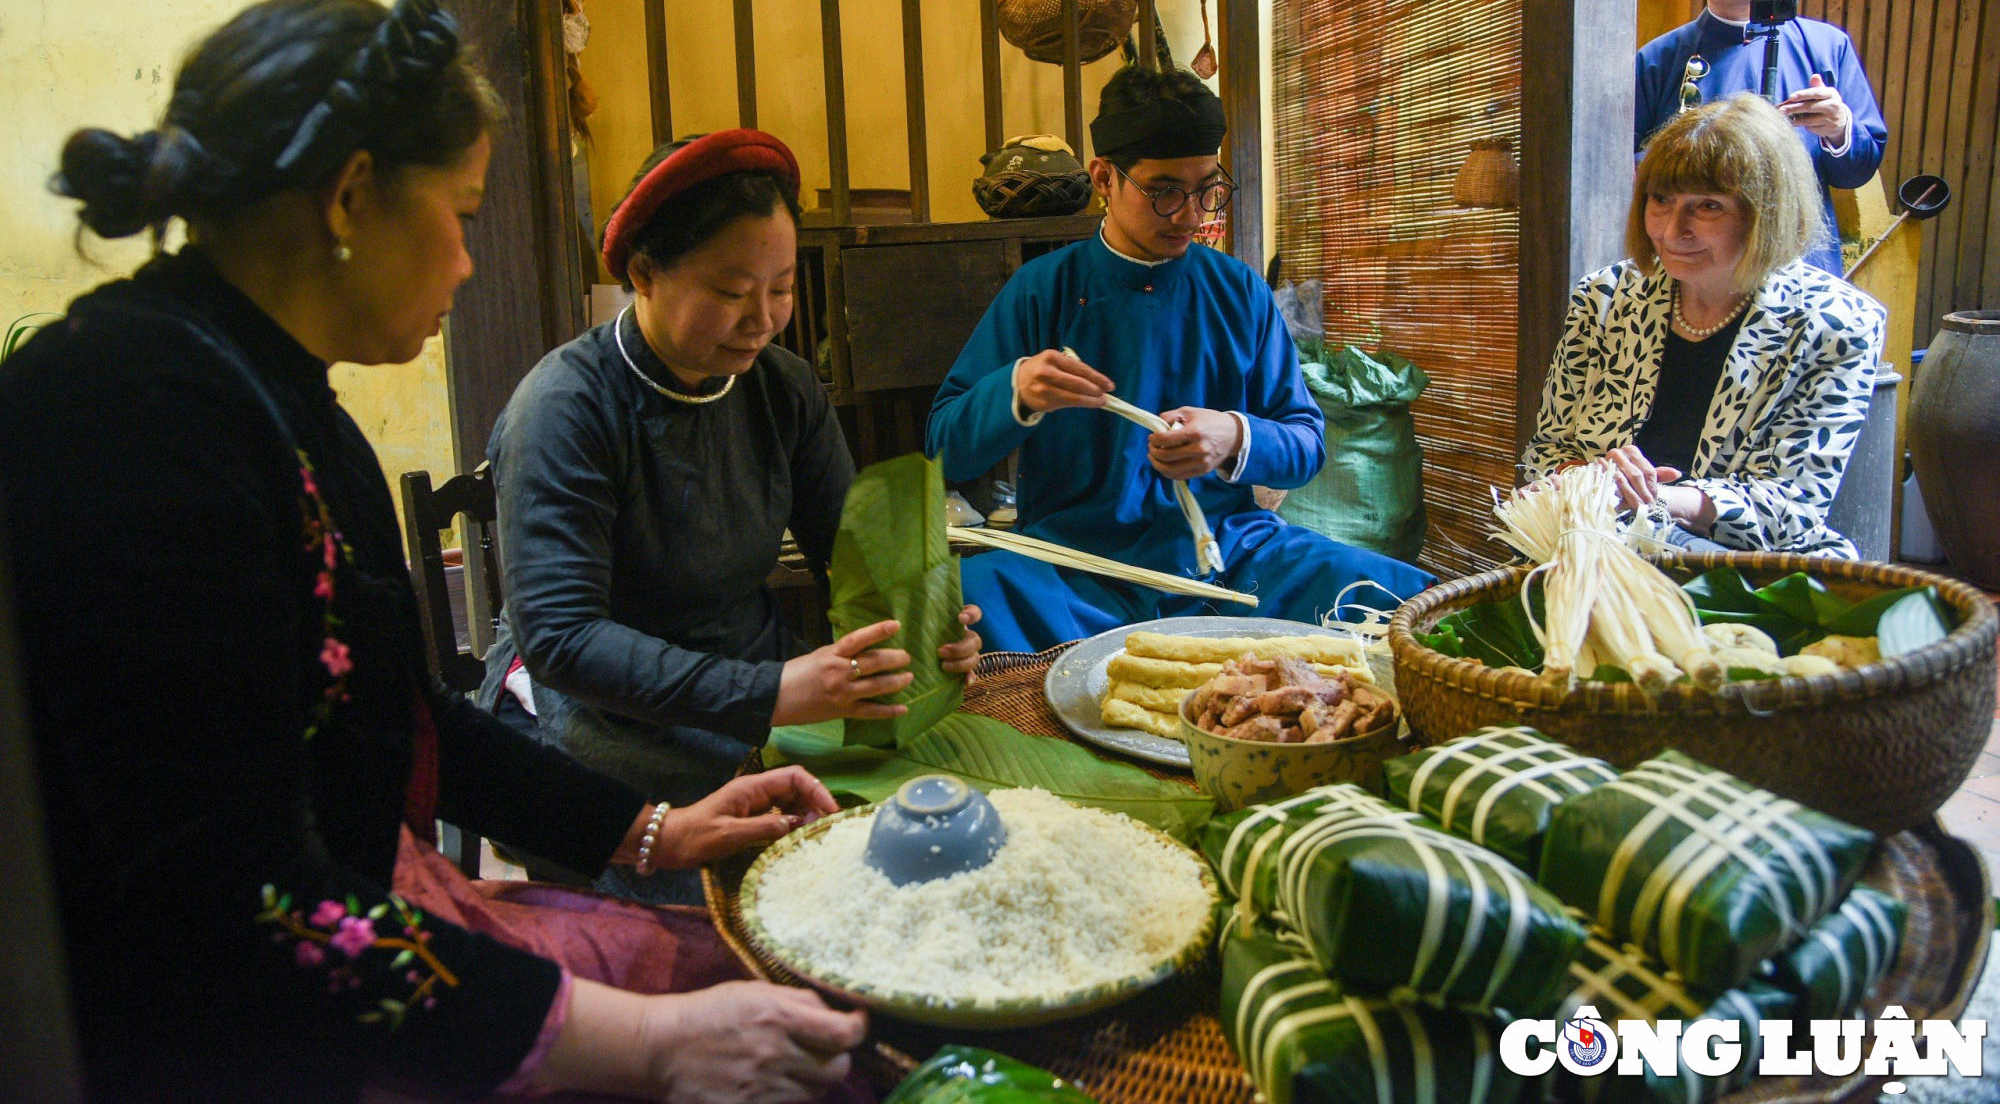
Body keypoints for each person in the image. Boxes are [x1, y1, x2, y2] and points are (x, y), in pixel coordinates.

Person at [0, 0, 872, 1103]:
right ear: (351, 195)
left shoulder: (273, 397)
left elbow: (407, 719)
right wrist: (648, 1046)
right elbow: (237, 899)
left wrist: (650, 829)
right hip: (191, 1023)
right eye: (460, 213)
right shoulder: (124, 422)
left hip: (326, 913)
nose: (467, 263)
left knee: (794, 1000)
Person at [477, 129, 983, 902]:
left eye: (781, 287)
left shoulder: (783, 389)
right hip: (603, 717)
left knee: (950, 828)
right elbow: (562, 638)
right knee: (787, 895)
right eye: (731, 291)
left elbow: (853, 552)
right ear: (643, 274)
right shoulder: (564, 408)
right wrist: (774, 690)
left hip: (750, 694)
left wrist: (927, 624)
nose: (765, 318)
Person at [925, 66, 1433, 654]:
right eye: (1164, 191)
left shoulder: (1238, 291)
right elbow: (943, 446)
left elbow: (1306, 446)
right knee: (960, 607)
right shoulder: (1044, 291)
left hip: (1231, 558)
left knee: (1405, 600)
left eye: (1207, 189)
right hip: (1076, 570)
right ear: (1104, 179)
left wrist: (1235, 436)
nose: (1192, 215)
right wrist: (1015, 391)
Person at [1522, 93, 1886, 557]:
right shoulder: (1605, 297)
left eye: (1708, 206)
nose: (1673, 231)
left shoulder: (1837, 325)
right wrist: (1584, 478)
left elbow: (1790, 511)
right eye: (1661, 200)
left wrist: (1654, 500)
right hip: (1595, 548)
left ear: (1768, 212)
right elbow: (1547, 450)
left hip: (1744, 572)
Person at [1634, 0, 1887, 277]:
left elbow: (1856, 170)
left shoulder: (1826, 46)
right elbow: (1627, 172)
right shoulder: (1659, 59)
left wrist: (1839, 131)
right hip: (1693, 268)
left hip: (1801, 264)